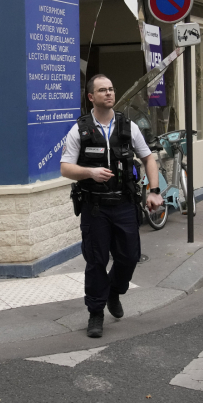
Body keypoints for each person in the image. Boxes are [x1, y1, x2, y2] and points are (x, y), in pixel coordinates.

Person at [60, 74, 164, 338]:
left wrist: (154, 191)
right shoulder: (80, 130)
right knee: (96, 261)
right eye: (102, 90)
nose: (109, 93)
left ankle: (114, 292)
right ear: (91, 97)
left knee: (129, 256)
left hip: (124, 203)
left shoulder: (128, 127)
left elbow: (148, 158)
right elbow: (65, 168)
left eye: (111, 89)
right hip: (94, 207)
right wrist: (90, 173)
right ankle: (95, 314)